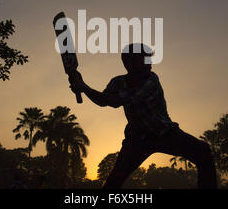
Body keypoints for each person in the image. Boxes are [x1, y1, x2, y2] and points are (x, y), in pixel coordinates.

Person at [69, 43, 217, 189]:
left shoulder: (151, 80)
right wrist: (82, 86)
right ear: (130, 64)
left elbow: (115, 101)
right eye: (145, 59)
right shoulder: (118, 82)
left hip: (164, 133)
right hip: (137, 139)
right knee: (113, 182)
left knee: (203, 152)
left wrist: (84, 87)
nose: (150, 63)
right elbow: (102, 100)